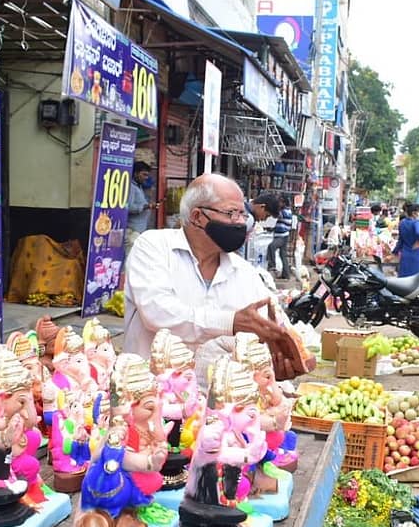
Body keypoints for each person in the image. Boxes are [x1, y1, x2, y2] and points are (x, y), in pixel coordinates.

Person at [124, 173, 298, 378]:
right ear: (197, 216)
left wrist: (280, 360)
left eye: (242, 214)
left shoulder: (244, 272)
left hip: (220, 396)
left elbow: (275, 326)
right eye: (231, 213)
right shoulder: (153, 246)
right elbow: (158, 313)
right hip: (148, 392)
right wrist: (230, 322)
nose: (240, 222)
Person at [126, 161, 156, 256]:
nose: (146, 177)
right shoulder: (131, 187)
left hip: (137, 230)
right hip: (131, 231)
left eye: (147, 175)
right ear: (135, 173)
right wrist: (145, 206)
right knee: (129, 259)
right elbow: (128, 207)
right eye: (144, 174)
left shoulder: (138, 187)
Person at [392, 203, 419, 277]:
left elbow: (400, 241)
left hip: (405, 256)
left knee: (405, 280)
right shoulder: (416, 222)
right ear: (414, 213)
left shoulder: (402, 223)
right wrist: (418, 240)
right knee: (418, 279)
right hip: (417, 254)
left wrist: (394, 252)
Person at [267, 195, 293, 280]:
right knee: (283, 255)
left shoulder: (285, 211)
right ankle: (286, 274)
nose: (279, 203)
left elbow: (277, 215)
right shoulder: (287, 211)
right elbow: (281, 223)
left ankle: (272, 266)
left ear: (284, 203)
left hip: (282, 236)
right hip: (283, 235)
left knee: (271, 246)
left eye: (280, 202)